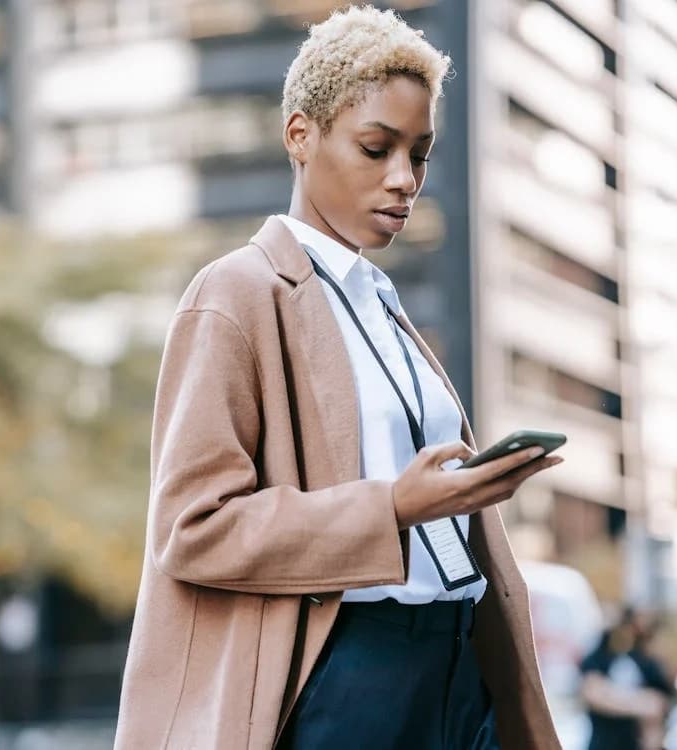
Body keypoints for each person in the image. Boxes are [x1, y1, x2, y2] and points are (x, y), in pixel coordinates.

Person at [115, 7, 564, 749]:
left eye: (419, 154)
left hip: (459, 668)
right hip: (347, 670)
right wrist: (391, 506)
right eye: (374, 147)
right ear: (300, 135)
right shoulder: (237, 293)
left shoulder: (382, 309)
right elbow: (193, 530)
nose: (403, 179)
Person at [580, 608, 675, 750]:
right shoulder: (598, 658)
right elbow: (593, 694)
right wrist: (640, 703)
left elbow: (658, 705)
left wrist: (611, 696)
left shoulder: (646, 661)